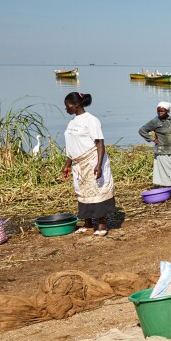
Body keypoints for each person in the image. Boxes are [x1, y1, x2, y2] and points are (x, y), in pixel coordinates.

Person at [61, 92, 117, 236]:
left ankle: (102, 225)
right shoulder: (72, 122)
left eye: (68, 106)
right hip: (78, 164)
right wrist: (67, 164)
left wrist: (98, 165)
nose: (66, 108)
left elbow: (99, 143)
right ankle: (88, 223)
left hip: (91, 160)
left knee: (97, 191)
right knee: (82, 192)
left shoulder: (91, 120)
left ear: (76, 105)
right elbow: (71, 145)